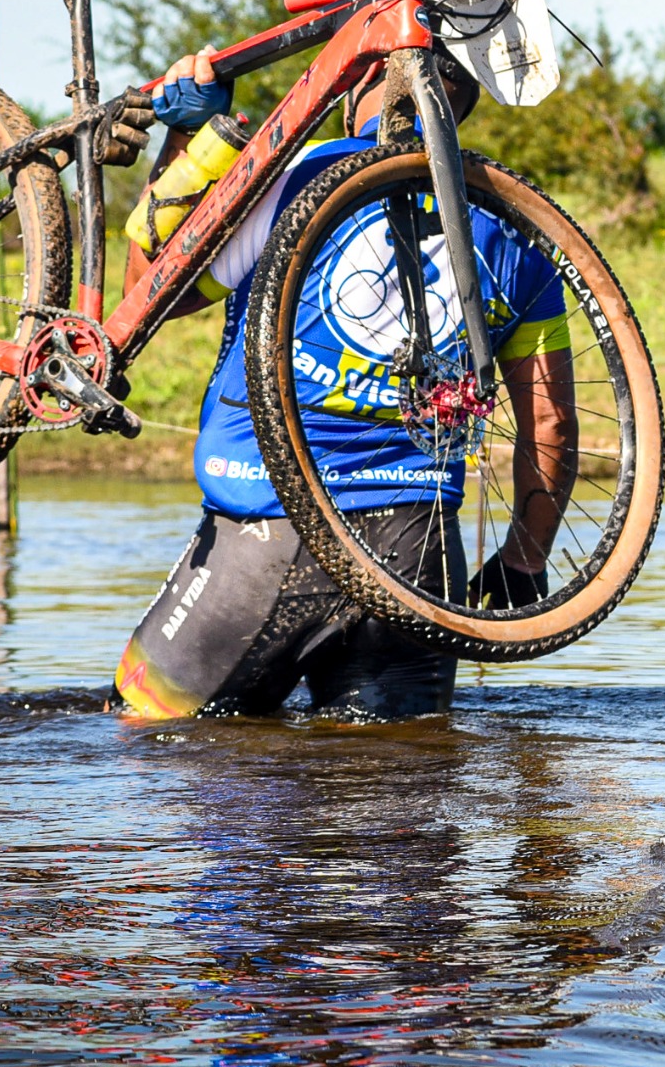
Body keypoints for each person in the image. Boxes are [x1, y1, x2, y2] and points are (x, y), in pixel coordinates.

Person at [109, 48, 576, 722]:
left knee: (144, 743)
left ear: (359, 77)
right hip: (420, 553)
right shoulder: (516, 222)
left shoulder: (299, 170)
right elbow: (552, 425)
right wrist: (523, 561)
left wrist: (188, 139)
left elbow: (149, 294)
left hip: (265, 532)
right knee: (399, 799)